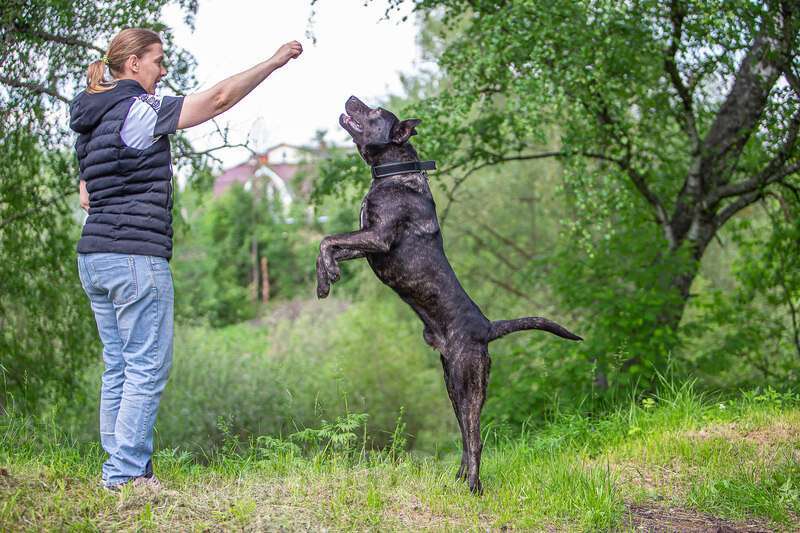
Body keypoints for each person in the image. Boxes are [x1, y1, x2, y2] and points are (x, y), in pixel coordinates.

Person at [70, 28, 302, 490]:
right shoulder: (138, 108)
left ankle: (119, 467)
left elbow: (87, 182)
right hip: (134, 257)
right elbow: (216, 99)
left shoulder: (91, 115)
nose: (162, 70)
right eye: (157, 60)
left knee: (119, 364)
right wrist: (271, 63)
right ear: (132, 63)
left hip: (94, 255)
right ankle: (126, 476)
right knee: (145, 366)